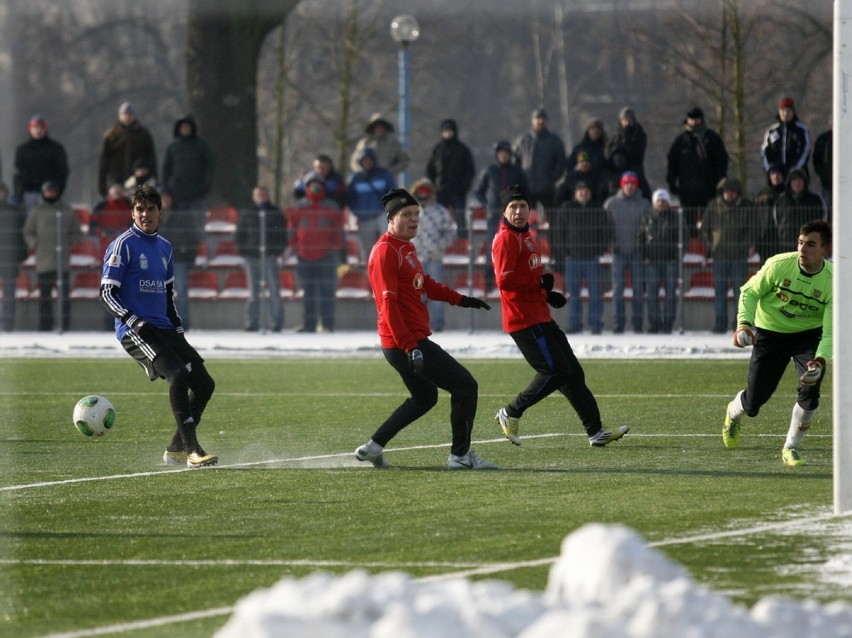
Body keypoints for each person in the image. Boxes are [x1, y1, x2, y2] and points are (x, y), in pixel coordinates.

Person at [354, 187, 495, 470]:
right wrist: (411, 347)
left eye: (417, 214)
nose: (414, 219)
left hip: (406, 342)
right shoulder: (384, 252)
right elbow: (388, 307)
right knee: (466, 386)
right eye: (406, 214)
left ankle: (373, 447)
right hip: (405, 342)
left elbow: (424, 283)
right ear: (391, 219)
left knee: (425, 397)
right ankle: (460, 457)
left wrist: (460, 299)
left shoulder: (404, 246)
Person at [491, 184, 629, 448]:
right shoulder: (506, 238)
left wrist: (546, 294)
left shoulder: (526, 236)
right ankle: (510, 412)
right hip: (523, 320)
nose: (519, 212)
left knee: (573, 373)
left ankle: (596, 431)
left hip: (539, 315)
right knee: (553, 371)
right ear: (505, 211)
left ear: (530, 209)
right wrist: (538, 285)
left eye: (522, 206)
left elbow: (528, 278)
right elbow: (505, 280)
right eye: (513, 207)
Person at [99, 184, 218, 469]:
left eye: (150, 209)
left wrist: (177, 330)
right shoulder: (123, 245)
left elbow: (167, 296)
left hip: (165, 328)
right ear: (132, 212)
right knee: (177, 376)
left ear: (159, 212)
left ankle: (176, 447)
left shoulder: (165, 248)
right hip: (136, 330)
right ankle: (193, 450)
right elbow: (106, 293)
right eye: (139, 209)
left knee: (204, 384)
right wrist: (132, 320)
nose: (145, 214)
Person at [722, 220, 831, 467]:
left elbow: (831, 331)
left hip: (809, 335)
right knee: (754, 402)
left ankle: (791, 448)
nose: (803, 249)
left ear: (824, 249)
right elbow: (749, 292)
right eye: (801, 243)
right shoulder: (779, 265)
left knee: (811, 388)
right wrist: (744, 325)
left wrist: (821, 360)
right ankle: (733, 412)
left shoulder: (833, 281)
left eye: (811, 244)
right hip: (771, 332)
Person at [287, 173, 347, 333]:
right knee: (308, 292)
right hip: (304, 256)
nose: (315, 187)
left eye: (318, 184)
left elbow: (338, 231)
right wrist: (291, 248)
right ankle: (309, 324)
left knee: (327, 291)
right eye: (311, 184)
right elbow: (291, 230)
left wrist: (335, 249)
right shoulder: (298, 207)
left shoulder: (332, 207)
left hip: (327, 256)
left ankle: (328, 324)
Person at [551, 180, 611, 335]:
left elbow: (605, 232)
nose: (583, 192)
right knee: (574, 295)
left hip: (592, 259)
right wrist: (565, 252)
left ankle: (596, 324)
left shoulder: (598, 210)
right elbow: (559, 233)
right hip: (572, 259)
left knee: (595, 294)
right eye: (580, 190)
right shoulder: (566, 209)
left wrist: (599, 250)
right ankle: (575, 324)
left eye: (586, 190)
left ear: (590, 192)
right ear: (575, 193)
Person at [22, 181, 83, 331]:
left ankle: (64, 325)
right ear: (43, 192)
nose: (50, 194)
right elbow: (27, 231)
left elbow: (77, 233)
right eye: (47, 191)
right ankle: (45, 326)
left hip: (62, 260)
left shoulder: (67, 210)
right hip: (44, 260)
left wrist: (67, 243)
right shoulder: (37, 212)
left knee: (64, 297)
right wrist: (34, 243)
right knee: (45, 297)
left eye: (52, 191)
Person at [700, 178, 755, 333]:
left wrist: (744, 246)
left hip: (739, 256)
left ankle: (739, 324)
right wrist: (711, 246)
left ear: (737, 194)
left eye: (732, 192)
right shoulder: (713, 207)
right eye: (726, 192)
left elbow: (753, 229)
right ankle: (720, 323)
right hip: (720, 256)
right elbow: (704, 229)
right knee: (720, 292)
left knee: (741, 292)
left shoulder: (747, 207)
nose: (729, 195)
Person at [474, 140, 528, 291]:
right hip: (493, 216)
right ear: (497, 155)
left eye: (506, 153)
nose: (503, 155)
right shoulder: (490, 170)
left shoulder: (517, 171)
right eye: (501, 153)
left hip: (513, 217)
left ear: (510, 155)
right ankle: (489, 281)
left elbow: (526, 191)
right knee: (492, 248)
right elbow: (478, 191)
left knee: (513, 248)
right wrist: (487, 205)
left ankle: (512, 281)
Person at [665, 106, 729, 234]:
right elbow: (672, 163)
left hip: (709, 190)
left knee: (710, 223)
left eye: (696, 120)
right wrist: (672, 182)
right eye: (691, 120)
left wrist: (720, 182)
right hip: (687, 191)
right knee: (688, 225)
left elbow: (722, 161)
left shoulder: (712, 139)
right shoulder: (681, 141)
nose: (693, 122)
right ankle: (690, 250)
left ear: (701, 120)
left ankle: (708, 250)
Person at [235, 186, 287, 332]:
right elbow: (240, 235)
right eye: (258, 195)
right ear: (254, 196)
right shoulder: (247, 213)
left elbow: (282, 235)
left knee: (274, 291)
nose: (261, 197)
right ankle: (251, 323)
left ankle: (276, 323)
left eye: (264, 194)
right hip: (252, 257)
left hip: (270, 257)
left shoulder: (275, 213)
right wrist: (245, 251)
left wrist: (277, 251)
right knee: (254, 292)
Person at [604, 171, 650, 333]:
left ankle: (638, 324)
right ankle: (619, 324)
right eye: (626, 183)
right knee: (618, 290)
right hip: (619, 252)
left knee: (638, 289)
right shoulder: (611, 204)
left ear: (636, 185)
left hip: (637, 252)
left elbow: (648, 228)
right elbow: (606, 227)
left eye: (632, 183)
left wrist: (643, 246)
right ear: (622, 185)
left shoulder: (644, 204)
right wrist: (612, 244)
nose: (629, 186)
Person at [409, 178, 458, 332]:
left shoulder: (440, 211)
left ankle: (437, 324)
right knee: (416, 293)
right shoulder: (411, 212)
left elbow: (451, 231)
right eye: (420, 192)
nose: (423, 196)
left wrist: (440, 247)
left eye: (426, 192)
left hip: (435, 258)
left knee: (435, 293)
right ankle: (418, 323)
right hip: (415, 259)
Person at [425, 119, 476, 238]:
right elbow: (430, 169)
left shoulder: (463, 150)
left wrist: (464, 187)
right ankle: (439, 239)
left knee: (460, 218)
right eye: (445, 131)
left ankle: (462, 240)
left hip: (457, 191)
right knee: (439, 218)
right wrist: (433, 185)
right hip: (440, 190)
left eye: (450, 131)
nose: (447, 134)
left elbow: (470, 171)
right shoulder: (437, 149)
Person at [157, 189, 200, 329]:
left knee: (181, 292)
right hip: (157, 260)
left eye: (166, 198)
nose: (164, 201)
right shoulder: (151, 215)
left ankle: (183, 322)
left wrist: (187, 254)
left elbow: (192, 237)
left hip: (178, 259)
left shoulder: (181, 216)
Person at [640, 189, 681, 334]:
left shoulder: (676, 218)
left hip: (670, 261)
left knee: (670, 294)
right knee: (652, 295)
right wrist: (644, 255)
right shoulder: (646, 218)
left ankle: (668, 324)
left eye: (663, 200)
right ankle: (654, 324)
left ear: (668, 202)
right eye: (658, 200)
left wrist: (677, 256)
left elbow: (684, 238)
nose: (661, 203)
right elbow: (641, 238)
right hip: (652, 262)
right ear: (654, 202)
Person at [97, 101, 157, 198]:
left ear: (134, 116)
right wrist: (102, 186)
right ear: (119, 116)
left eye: (130, 114)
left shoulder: (143, 134)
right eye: (124, 114)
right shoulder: (112, 135)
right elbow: (104, 163)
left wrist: (153, 180)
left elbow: (152, 159)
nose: (127, 117)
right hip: (116, 182)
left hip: (138, 182)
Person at [346, 147, 396, 260]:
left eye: (369, 160)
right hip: (365, 217)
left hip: (382, 215)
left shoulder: (384, 174)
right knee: (367, 250)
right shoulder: (356, 178)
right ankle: (369, 273)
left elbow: (392, 192)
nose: (367, 162)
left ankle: (388, 267)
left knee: (387, 244)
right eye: (364, 160)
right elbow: (350, 198)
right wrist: (357, 212)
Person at [512, 108, 566, 210]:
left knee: (551, 219)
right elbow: (515, 162)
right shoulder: (523, 140)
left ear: (547, 121)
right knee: (526, 220)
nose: (540, 121)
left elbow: (561, 162)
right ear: (532, 121)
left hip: (547, 189)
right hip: (527, 188)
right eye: (538, 118)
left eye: (543, 119)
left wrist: (552, 177)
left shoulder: (555, 141)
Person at [13, 115, 69, 214]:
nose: (38, 130)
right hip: (29, 193)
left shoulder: (55, 148)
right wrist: (19, 193)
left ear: (45, 129)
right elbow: (18, 172)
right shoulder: (23, 149)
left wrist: (58, 191)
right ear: (30, 129)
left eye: (40, 127)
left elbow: (62, 171)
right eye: (35, 127)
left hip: (49, 193)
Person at [161, 114, 215, 215]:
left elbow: (210, 166)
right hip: (177, 194)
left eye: (187, 127)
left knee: (196, 224)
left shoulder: (202, 145)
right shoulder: (173, 147)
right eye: (183, 127)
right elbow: (166, 169)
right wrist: (165, 188)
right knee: (178, 225)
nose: (185, 129)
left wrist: (206, 184)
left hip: (197, 193)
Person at [773, 168, 826, 254]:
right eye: (794, 179)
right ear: (789, 182)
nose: (797, 183)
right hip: (786, 244)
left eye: (800, 179)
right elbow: (776, 219)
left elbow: (822, 218)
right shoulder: (782, 200)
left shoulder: (814, 200)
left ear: (805, 182)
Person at [760, 97, 811, 179]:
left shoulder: (801, 130)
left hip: (796, 175)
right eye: (783, 111)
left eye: (788, 111)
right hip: (776, 175)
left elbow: (805, 150)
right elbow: (765, 151)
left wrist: (795, 168)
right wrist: (770, 169)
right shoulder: (771, 131)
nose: (785, 113)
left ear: (793, 112)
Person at [0, 182, 27, 331]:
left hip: (9, 258)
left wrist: (20, 256)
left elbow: (19, 236)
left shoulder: (13, 211)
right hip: (7, 257)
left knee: (9, 293)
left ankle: (8, 324)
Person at [606, 107, 650, 199]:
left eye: (629, 120)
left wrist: (626, 138)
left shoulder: (639, 134)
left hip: (634, 169)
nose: (627, 123)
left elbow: (637, 151)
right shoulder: (616, 135)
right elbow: (608, 151)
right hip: (617, 171)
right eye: (624, 120)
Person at [811, 123, 831, 222]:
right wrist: (823, 174)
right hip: (826, 183)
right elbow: (816, 160)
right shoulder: (823, 139)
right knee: (826, 209)